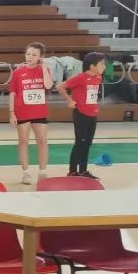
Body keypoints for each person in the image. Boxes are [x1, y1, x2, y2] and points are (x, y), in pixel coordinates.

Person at [9, 42, 54, 185]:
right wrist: (12, 113)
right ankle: (26, 172)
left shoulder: (43, 70)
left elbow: (48, 85)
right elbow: (12, 93)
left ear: (41, 57)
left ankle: (43, 171)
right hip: (22, 111)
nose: (30, 57)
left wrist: (45, 67)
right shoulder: (18, 72)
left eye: (34, 55)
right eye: (28, 54)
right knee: (23, 141)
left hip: (39, 111)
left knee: (42, 141)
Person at [58, 52, 106, 179]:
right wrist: (69, 100)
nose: (104, 67)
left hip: (93, 114)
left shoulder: (98, 77)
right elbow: (60, 87)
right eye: (102, 64)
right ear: (92, 66)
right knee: (80, 142)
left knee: (88, 143)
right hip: (81, 114)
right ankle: (73, 171)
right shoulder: (80, 78)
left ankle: (83, 170)